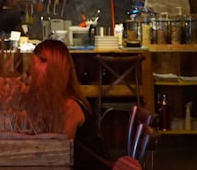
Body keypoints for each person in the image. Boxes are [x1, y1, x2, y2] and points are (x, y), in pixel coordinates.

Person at [30, 39, 143, 170]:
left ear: (58, 66)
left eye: (42, 61)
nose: (34, 67)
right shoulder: (58, 102)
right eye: (34, 62)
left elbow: (58, 155)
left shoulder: (70, 106)